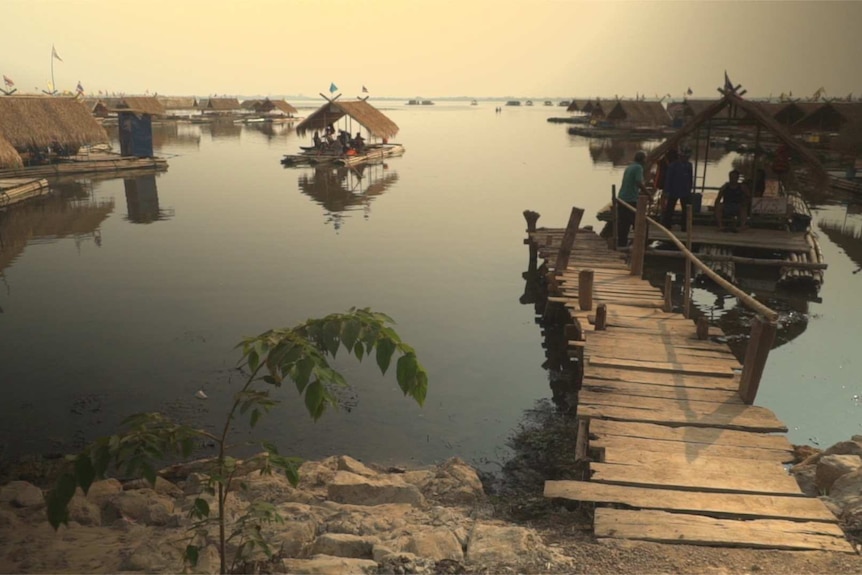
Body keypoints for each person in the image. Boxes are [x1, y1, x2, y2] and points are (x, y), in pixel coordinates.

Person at [616, 150, 651, 248]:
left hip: (622, 197)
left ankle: (622, 243)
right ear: (643, 159)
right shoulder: (638, 167)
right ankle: (639, 243)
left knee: (624, 222)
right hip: (630, 199)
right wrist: (648, 194)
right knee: (638, 221)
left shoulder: (630, 166)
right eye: (645, 158)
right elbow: (638, 182)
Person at [660, 148, 694, 231]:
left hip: (685, 190)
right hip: (674, 189)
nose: (685, 158)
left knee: (686, 208)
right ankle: (666, 225)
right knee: (670, 208)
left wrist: (690, 188)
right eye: (683, 156)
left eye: (686, 156)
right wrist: (667, 191)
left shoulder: (689, 165)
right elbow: (668, 179)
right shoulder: (673, 165)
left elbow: (690, 178)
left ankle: (685, 226)